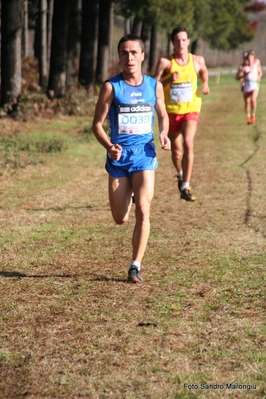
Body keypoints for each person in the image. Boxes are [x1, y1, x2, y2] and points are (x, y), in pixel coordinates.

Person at [92, 34, 170, 283]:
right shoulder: (111, 87)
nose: (129, 57)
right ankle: (133, 192)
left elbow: (163, 115)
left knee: (144, 211)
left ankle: (135, 265)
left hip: (144, 156)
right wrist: (109, 146)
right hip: (119, 156)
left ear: (142, 55)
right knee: (120, 218)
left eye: (134, 52)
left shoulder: (153, 86)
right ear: (119, 57)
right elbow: (96, 125)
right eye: (124, 53)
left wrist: (164, 133)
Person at [154, 26, 210, 201]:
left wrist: (205, 84)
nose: (181, 43)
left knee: (188, 143)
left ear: (188, 41)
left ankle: (186, 185)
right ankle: (180, 173)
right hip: (171, 112)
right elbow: (153, 84)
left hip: (191, 110)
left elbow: (204, 71)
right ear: (173, 43)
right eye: (177, 40)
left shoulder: (197, 60)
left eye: (183, 39)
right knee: (176, 153)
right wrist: (169, 79)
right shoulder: (166, 63)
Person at [236, 49, 263, 124]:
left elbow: (260, 72)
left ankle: (253, 115)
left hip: (254, 84)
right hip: (247, 85)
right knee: (247, 102)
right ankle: (248, 116)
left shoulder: (256, 63)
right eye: (248, 58)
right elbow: (238, 77)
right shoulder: (244, 67)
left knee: (253, 99)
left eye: (252, 58)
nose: (250, 60)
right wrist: (242, 74)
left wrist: (259, 77)